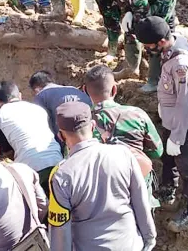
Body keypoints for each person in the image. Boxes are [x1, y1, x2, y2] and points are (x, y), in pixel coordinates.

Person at [48, 102, 156, 251]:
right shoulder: (123, 154)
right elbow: (141, 201)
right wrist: (150, 238)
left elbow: (60, 231)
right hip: (130, 245)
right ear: (92, 126)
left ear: (61, 136)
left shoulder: (61, 175)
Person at [135, 16, 188, 232]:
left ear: (161, 41)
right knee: (168, 158)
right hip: (171, 119)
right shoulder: (173, 43)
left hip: (184, 124)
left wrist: (178, 135)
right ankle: (168, 191)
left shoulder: (181, 64)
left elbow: (184, 103)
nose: (148, 49)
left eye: (148, 45)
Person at [79, 0, 177, 92]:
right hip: (145, 0)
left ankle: (154, 80)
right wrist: (127, 14)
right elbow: (118, 6)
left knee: (151, 35)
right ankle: (133, 69)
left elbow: (141, 4)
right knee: (131, 31)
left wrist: (131, 15)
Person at [84, 64, 163, 209]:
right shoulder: (137, 114)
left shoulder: (83, 122)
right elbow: (157, 151)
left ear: (85, 90)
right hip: (136, 184)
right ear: (114, 89)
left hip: (100, 194)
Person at [0, 81, 62, 195]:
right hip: (58, 161)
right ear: (19, 95)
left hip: (30, 169)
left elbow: (4, 150)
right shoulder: (38, 109)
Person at [29, 70, 92, 136]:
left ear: (36, 89)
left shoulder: (41, 96)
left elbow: (41, 125)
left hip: (65, 138)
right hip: (88, 131)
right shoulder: (73, 89)